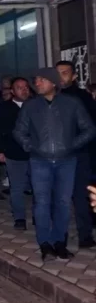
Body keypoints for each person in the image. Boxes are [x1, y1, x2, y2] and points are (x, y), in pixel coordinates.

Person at [13, 68, 96, 261]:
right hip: (39, 161)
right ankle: (45, 244)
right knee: (41, 203)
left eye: (41, 80)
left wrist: (71, 145)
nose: (37, 83)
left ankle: (60, 242)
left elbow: (89, 129)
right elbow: (19, 132)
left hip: (66, 161)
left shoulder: (71, 104)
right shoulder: (31, 106)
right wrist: (31, 146)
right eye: (37, 80)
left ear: (53, 83)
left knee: (63, 203)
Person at [55, 61, 96, 248]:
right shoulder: (49, 97)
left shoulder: (82, 97)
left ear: (73, 76)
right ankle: (59, 237)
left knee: (81, 195)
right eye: (58, 73)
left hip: (79, 154)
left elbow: (91, 127)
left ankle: (85, 235)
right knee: (58, 196)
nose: (61, 77)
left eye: (65, 73)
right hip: (54, 155)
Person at [0, 78, 31, 230]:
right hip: (13, 153)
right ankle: (20, 218)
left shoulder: (36, 105)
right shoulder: (4, 107)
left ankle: (39, 216)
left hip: (36, 153)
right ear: (12, 91)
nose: (24, 90)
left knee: (39, 188)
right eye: (19, 87)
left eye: (26, 87)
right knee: (16, 188)